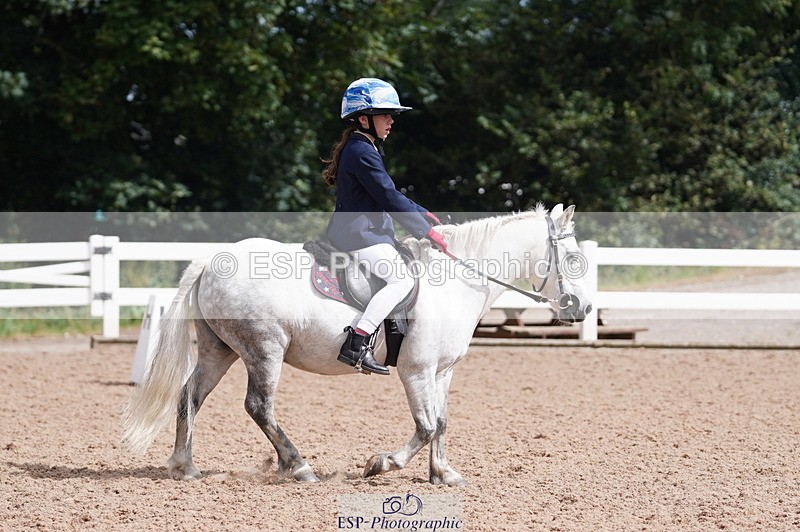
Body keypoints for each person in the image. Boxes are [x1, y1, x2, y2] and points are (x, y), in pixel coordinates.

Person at [322, 78, 448, 376]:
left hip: (363, 232)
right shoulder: (362, 151)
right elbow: (388, 196)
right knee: (401, 280)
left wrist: (422, 213)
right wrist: (425, 231)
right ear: (363, 119)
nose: (392, 120)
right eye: (385, 114)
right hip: (359, 235)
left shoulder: (362, 146)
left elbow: (389, 193)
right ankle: (357, 341)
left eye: (392, 115)